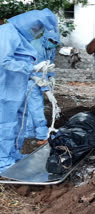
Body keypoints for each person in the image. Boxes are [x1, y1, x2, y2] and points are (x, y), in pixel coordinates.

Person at [0, 8, 58, 172]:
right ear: (27, 21)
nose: (36, 32)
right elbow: (4, 60)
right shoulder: (7, 32)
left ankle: (13, 153)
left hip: (16, 90)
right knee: (4, 124)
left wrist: (36, 76)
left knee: (17, 122)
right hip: (4, 89)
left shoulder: (20, 37)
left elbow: (21, 61)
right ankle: (2, 161)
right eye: (35, 28)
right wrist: (30, 68)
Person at [24, 29, 60, 144]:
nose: (53, 43)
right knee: (36, 106)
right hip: (29, 79)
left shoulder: (51, 47)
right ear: (45, 38)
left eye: (55, 42)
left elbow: (49, 64)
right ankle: (42, 135)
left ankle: (29, 133)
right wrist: (47, 91)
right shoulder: (37, 47)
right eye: (51, 41)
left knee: (31, 107)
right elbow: (38, 72)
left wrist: (51, 76)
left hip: (38, 77)